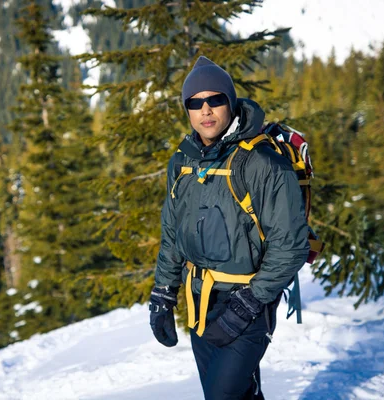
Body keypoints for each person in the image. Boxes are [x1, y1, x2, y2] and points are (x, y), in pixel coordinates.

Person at [148, 56, 310, 399]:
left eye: (215, 100)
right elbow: (173, 233)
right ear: (187, 110)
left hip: (249, 303)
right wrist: (163, 292)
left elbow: (291, 246)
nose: (206, 110)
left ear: (230, 102)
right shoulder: (183, 159)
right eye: (195, 103)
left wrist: (249, 303)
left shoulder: (263, 162)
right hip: (200, 301)